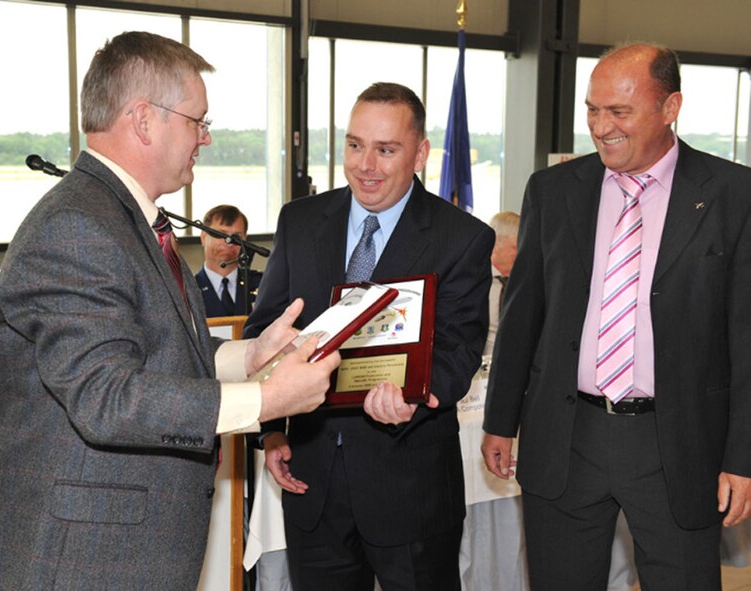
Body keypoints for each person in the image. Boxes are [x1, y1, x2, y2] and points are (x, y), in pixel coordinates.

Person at [0, 31, 339, 591]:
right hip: (73, 561)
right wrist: (268, 399)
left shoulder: (131, 220)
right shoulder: (77, 227)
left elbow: (155, 349)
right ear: (144, 119)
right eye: (197, 121)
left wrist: (248, 356)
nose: (205, 138)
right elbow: (107, 397)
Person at [481, 42, 751, 590]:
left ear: (670, 107)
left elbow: (746, 339)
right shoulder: (553, 191)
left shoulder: (732, 194)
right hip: (567, 436)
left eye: (619, 112)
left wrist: (742, 457)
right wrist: (499, 419)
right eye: (593, 109)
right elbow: (523, 313)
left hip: (677, 444)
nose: (601, 127)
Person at [244, 82, 494, 590]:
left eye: (386, 149)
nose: (366, 165)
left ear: (421, 153)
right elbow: (264, 334)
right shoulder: (301, 220)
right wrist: (270, 428)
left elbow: (459, 349)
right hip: (311, 481)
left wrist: (415, 396)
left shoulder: (462, 238)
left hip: (412, 490)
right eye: (355, 145)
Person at [194, 204, 263, 317]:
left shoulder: (261, 284)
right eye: (221, 234)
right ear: (203, 237)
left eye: (236, 237)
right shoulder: (188, 289)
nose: (229, 241)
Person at [483, 210, 519, 356]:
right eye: (516, 247)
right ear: (496, 244)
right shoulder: (474, 280)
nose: (522, 254)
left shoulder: (525, 285)